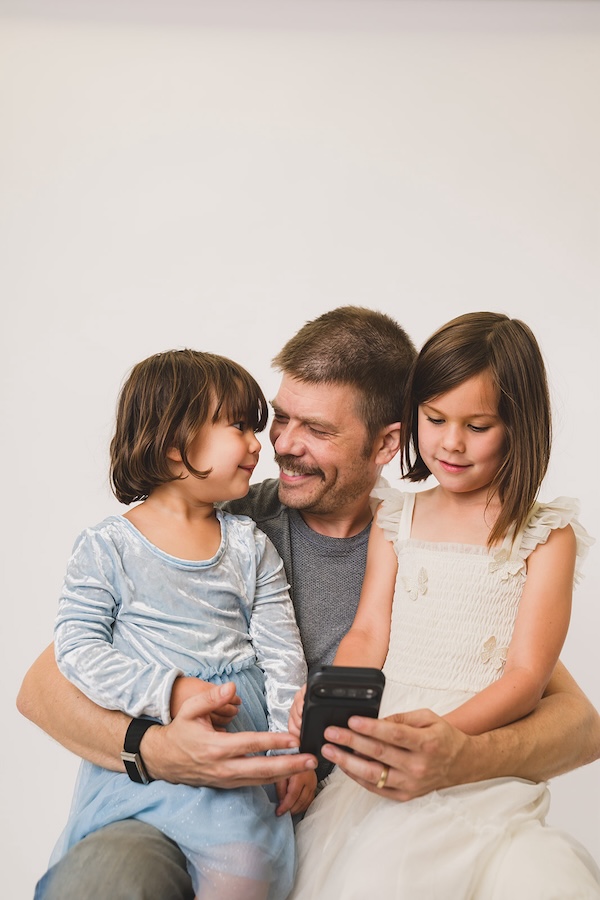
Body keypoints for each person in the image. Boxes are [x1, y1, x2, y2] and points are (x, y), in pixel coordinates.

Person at [17, 307, 600, 900]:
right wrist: (157, 750)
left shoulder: (425, 542)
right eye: (281, 418)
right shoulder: (220, 523)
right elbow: (43, 684)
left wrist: (453, 758)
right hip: (183, 811)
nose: (282, 446)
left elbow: (577, 723)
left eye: (317, 431)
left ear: (388, 441)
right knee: (100, 885)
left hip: (343, 828)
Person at [288, 311, 600, 899]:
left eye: (477, 425)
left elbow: (529, 677)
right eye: (434, 419)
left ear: (518, 426)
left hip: (475, 733)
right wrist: (332, 690)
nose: (450, 443)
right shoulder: (398, 517)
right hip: (390, 727)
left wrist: (446, 740)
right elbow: (368, 631)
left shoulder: (545, 536)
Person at [46, 349, 316, 900]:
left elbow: (283, 655)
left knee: (245, 867)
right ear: (174, 445)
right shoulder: (108, 548)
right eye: (238, 426)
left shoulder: (250, 546)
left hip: (239, 748)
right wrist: (169, 690)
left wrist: (292, 750)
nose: (257, 444)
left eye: (254, 427)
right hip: (149, 760)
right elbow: (75, 649)